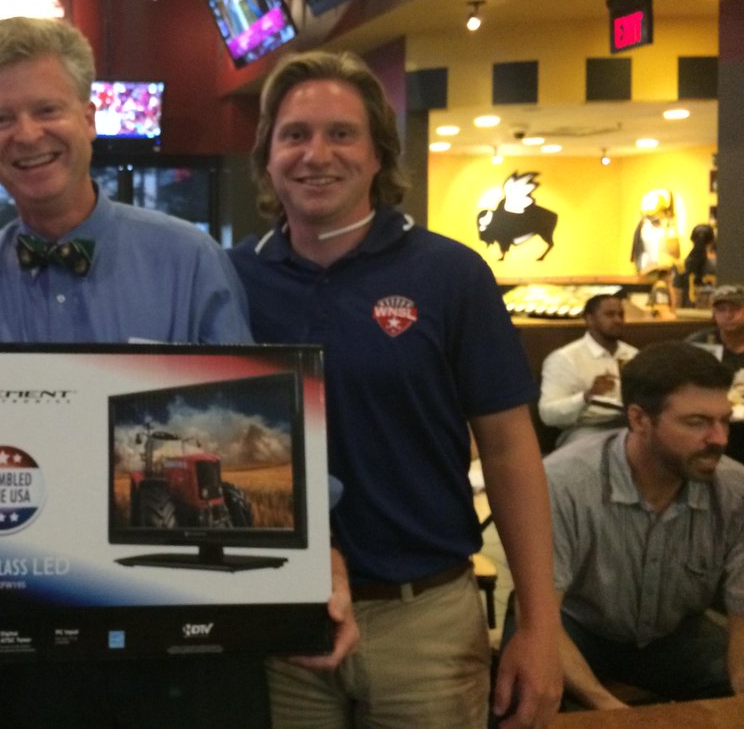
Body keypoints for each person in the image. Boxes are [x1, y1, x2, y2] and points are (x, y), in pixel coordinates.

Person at [0, 16, 303, 727]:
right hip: (33, 641)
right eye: (0, 118)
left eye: (47, 109)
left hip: (185, 638)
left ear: (89, 116)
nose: (27, 134)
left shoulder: (189, 258)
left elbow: (255, 419)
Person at [228, 50, 562, 728]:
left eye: (341, 133)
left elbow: (508, 449)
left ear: (379, 152)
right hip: (278, 620)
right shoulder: (230, 279)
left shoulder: (450, 275)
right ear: (268, 156)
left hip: (426, 622)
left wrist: (539, 623)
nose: (316, 154)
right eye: (295, 135)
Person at [508, 341, 744, 708]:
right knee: (522, 699)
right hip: (572, 626)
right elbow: (539, 619)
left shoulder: (734, 489)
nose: (720, 439)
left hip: (670, 635)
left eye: (724, 420)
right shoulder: (565, 483)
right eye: (697, 422)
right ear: (639, 420)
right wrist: (612, 710)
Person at [538, 294, 638, 449]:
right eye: (610, 315)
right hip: (585, 430)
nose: (618, 320)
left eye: (620, 314)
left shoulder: (633, 355)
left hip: (629, 427)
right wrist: (587, 396)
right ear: (589, 319)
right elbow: (548, 414)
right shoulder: (565, 358)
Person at [687, 284, 744, 461]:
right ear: (714, 314)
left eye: (735, 309)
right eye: (721, 310)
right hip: (708, 418)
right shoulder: (700, 343)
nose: (728, 315)